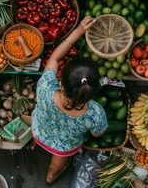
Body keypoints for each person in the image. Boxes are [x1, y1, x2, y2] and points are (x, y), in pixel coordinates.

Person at [28, 16, 109, 184]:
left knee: (42, 137)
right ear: (91, 94)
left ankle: (37, 145)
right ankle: (51, 176)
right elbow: (96, 133)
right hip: (63, 146)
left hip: (39, 130)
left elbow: (54, 58)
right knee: (58, 161)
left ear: (61, 83)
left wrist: (79, 31)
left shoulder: (45, 88)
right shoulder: (95, 112)